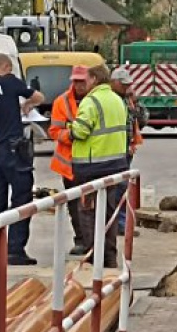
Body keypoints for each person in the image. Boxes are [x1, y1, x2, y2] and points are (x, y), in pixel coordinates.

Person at [0, 53, 45, 265]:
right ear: (6, 67)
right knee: (21, 198)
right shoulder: (9, 82)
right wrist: (27, 106)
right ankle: (14, 249)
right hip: (13, 150)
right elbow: (39, 97)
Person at [68, 65, 130, 268]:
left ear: (94, 79)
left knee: (87, 214)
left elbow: (81, 131)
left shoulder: (91, 101)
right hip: (115, 167)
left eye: (85, 79)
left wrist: (69, 128)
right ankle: (109, 259)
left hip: (91, 168)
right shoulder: (117, 100)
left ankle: (93, 258)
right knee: (109, 215)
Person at [49, 65, 90, 255]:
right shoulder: (61, 102)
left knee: (92, 203)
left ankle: (94, 239)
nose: (79, 85)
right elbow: (54, 131)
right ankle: (81, 240)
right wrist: (73, 135)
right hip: (70, 164)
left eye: (82, 81)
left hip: (92, 161)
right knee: (75, 204)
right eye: (76, 81)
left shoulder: (95, 100)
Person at [110, 68, 146, 239]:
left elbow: (142, 120)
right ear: (114, 82)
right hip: (113, 150)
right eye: (123, 84)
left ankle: (121, 224)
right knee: (115, 189)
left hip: (126, 150)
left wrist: (135, 102)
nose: (126, 87)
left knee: (122, 188)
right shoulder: (111, 99)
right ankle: (116, 224)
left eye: (128, 84)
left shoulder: (128, 100)